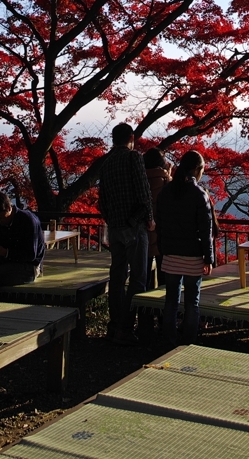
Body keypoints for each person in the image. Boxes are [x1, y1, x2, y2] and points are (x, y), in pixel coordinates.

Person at [97, 123, 154, 346]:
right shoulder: (134, 158)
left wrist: (112, 220)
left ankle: (114, 325)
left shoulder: (106, 162)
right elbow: (143, 191)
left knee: (117, 278)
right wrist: (148, 218)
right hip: (134, 226)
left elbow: (101, 201)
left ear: (113, 139)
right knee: (139, 278)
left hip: (115, 229)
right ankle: (126, 328)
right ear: (131, 137)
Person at [156, 149, 215, 348]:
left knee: (171, 302)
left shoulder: (166, 191)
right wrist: (209, 258)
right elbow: (206, 230)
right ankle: (188, 342)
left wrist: (164, 248)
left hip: (171, 254)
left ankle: (168, 341)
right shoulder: (199, 194)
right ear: (197, 169)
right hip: (193, 255)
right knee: (192, 302)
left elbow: (160, 222)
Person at [0, 191, 45, 301]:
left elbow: (31, 255)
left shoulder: (28, 221)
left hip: (29, 267)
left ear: (8, 207)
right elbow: (2, 246)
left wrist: (6, 253)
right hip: (9, 263)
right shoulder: (2, 223)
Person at [144, 147, 172, 289]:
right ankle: (161, 308)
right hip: (162, 234)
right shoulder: (165, 180)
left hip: (144, 232)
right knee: (164, 277)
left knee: (144, 276)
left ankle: (142, 308)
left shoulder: (140, 179)